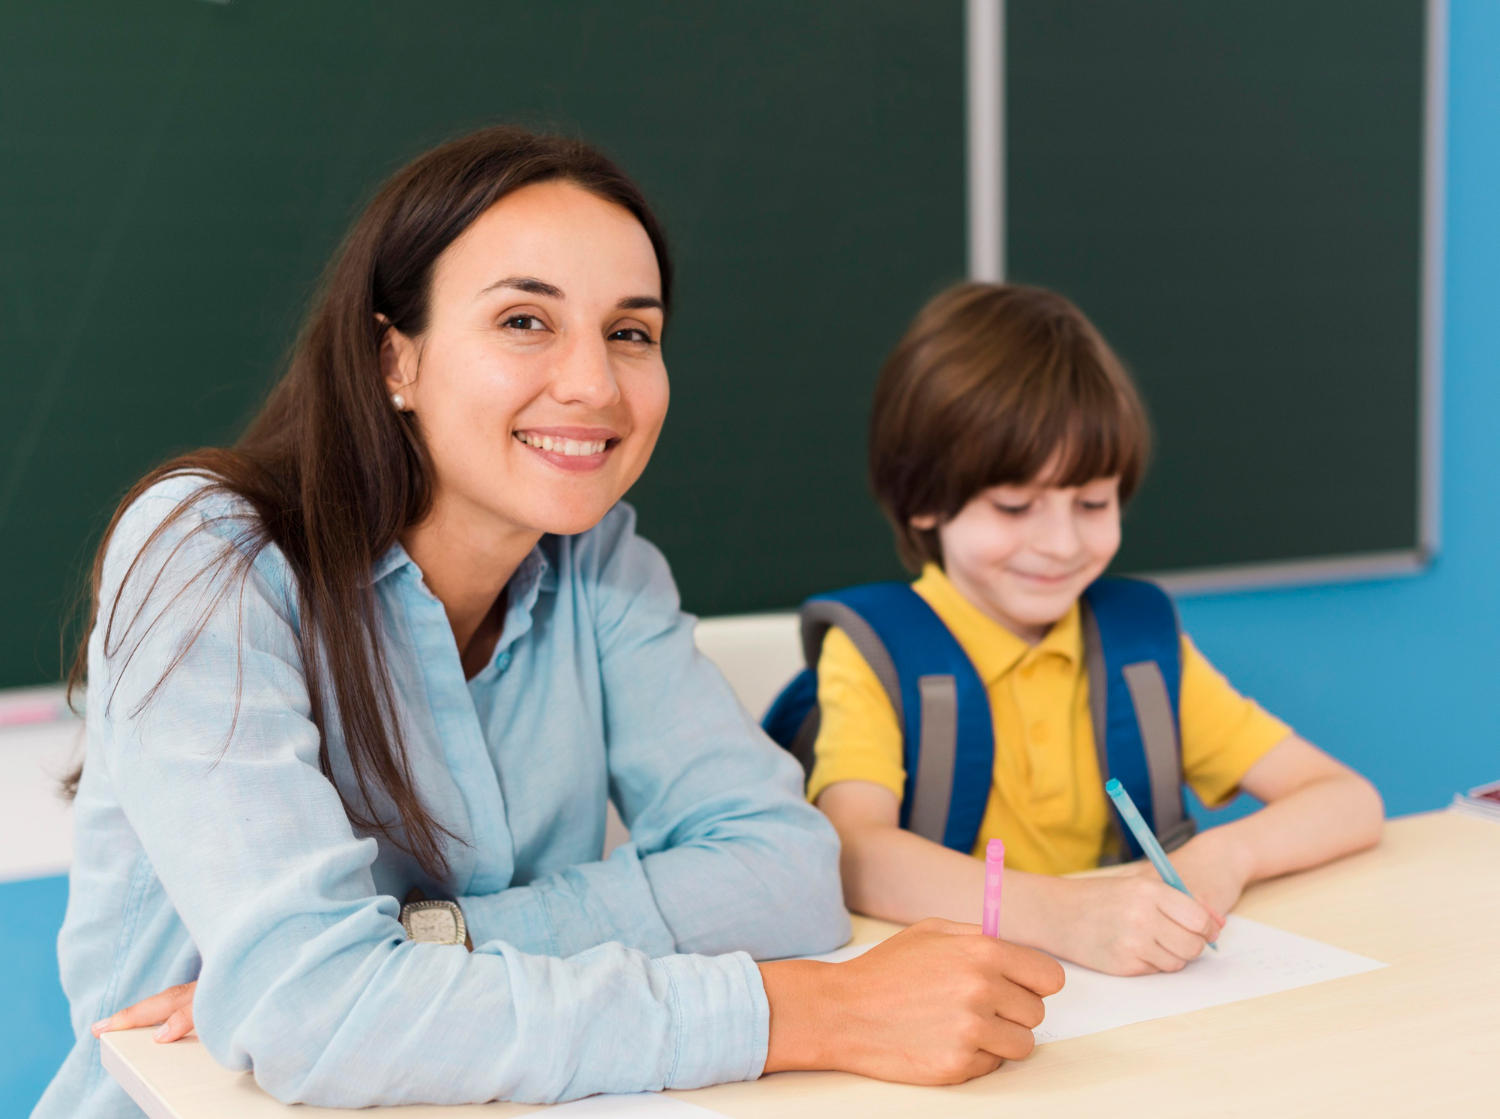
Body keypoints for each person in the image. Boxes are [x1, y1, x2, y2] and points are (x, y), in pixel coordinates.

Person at [38, 131, 1063, 1116]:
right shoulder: (206, 551)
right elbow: (314, 1017)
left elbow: (784, 872)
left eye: (632, 332)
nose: (593, 383)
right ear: (395, 358)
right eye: (525, 320)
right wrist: (800, 1011)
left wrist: (430, 943)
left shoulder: (602, 565)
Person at [807, 282, 1385, 977]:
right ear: (923, 497)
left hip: (1139, 1003)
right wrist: (1063, 916)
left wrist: (1221, 857)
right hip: (969, 1005)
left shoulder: (1139, 647)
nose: (1059, 543)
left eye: (1092, 501)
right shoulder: (878, 653)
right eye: (1016, 505)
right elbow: (853, 850)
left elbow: (1349, 799)